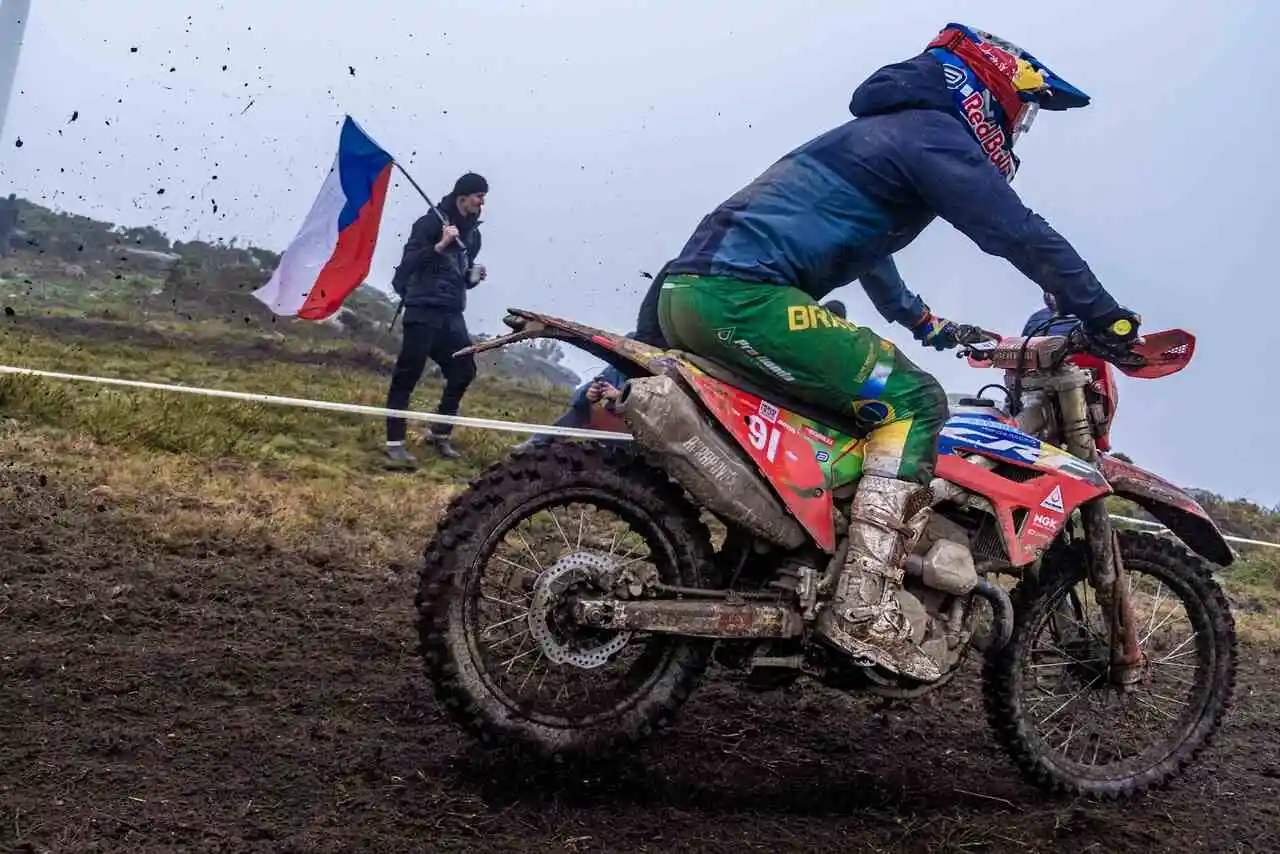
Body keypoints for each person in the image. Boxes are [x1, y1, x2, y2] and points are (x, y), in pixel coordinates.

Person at [637, 23, 1142, 682]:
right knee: (913, 401)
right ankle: (860, 607)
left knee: (843, 427)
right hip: (740, 298)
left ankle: (771, 572)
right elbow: (1016, 232)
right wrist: (1109, 318)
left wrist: (925, 323)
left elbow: (866, 251)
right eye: (1020, 115)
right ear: (985, 91)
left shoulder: (888, 136)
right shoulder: (931, 135)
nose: (1017, 133)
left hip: (690, 293)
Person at [384, 172, 489, 468]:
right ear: (462, 197)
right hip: (422, 310)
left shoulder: (473, 234)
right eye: (479, 196)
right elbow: (406, 267)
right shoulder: (429, 222)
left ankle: (439, 434)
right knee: (408, 375)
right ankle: (395, 445)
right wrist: (440, 245)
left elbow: (461, 277)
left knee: (464, 370)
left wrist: (473, 278)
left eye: (484, 197)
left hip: (452, 313)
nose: (482, 203)